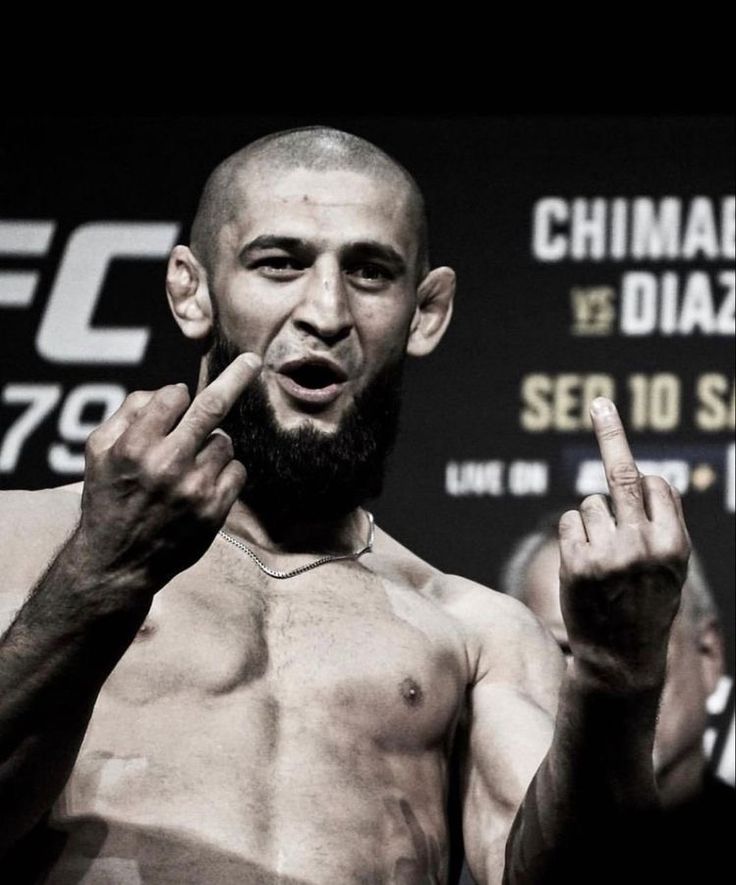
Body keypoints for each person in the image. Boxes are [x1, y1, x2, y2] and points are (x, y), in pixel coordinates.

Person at [0, 126, 691, 884]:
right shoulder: (24, 542)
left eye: (369, 271)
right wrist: (102, 572)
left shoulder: (472, 632)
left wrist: (619, 672)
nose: (326, 310)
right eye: (280, 262)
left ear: (425, 312)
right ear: (191, 291)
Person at [495, 513, 735, 882]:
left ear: (709, 654)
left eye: (635, 636)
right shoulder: (479, 861)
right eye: (569, 648)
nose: (611, 672)